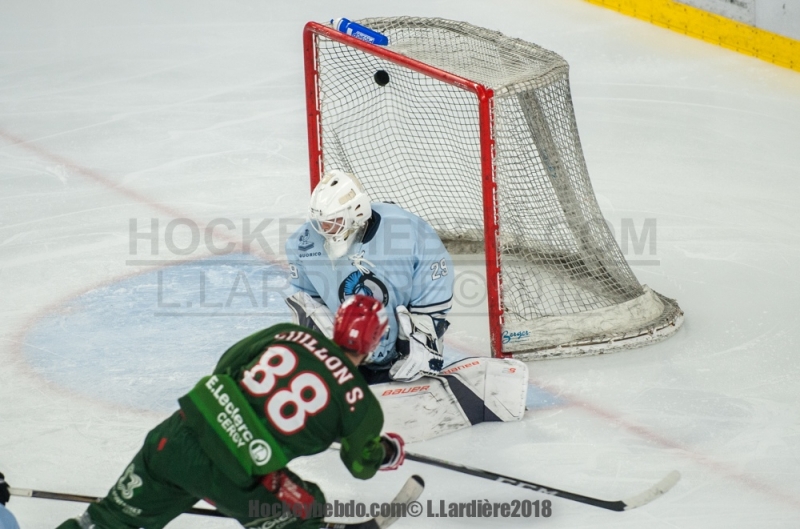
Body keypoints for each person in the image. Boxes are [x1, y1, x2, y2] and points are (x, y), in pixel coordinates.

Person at [56, 295, 405, 529]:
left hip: (179, 435)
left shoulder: (289, 334)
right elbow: (360, 465)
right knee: (308, 510)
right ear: (375, 342)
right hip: (236, 476)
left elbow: (226, 365)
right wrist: (386, 450)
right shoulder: (362, 404)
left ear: (337, 323)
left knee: (106, 521)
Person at [285, 170, 454, 384]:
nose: (325, 228)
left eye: (334, 220)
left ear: (357, 211)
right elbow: (308, 305)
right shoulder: (303, 242)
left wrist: (421, 339)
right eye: (321, 222)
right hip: (348, 353)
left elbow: (434, 298)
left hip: (402, 351)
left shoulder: (408, 231)